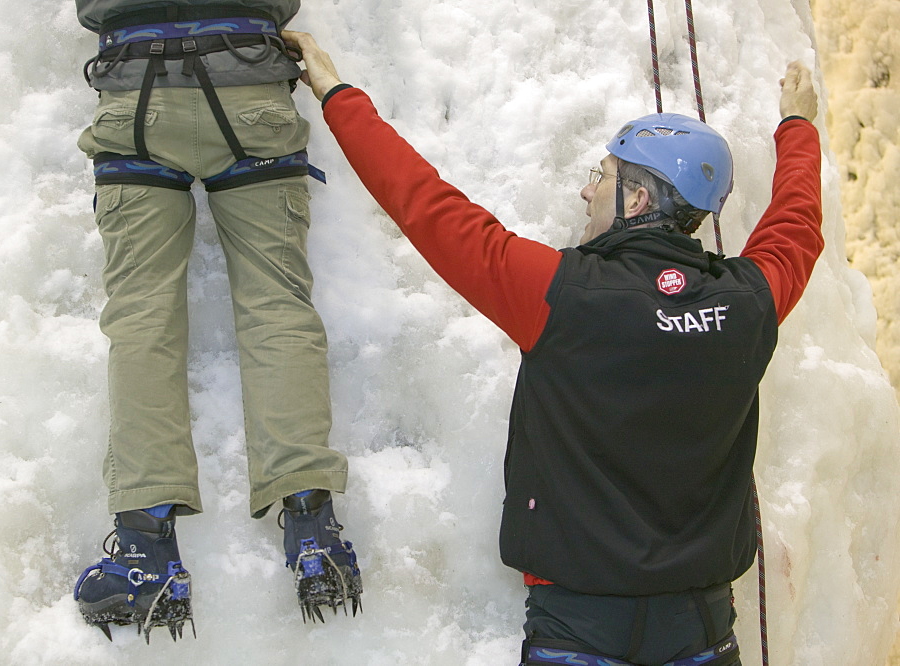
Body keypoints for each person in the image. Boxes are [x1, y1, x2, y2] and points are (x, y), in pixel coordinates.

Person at [284, 30, 821, 666]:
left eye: (604, 176)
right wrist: (797, 125)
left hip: (578, 628)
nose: (588, 190)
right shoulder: (748, 301)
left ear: (638, 199)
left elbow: (426, 205)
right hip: (701, 630)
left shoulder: (558, 294)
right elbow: (797, 224)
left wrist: (337, 93)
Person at [70, 2, 362, 641]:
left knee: (143, 316)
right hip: (250, 88)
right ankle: (313, 529)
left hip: (135, 91)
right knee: (278, 304)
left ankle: (146, 551)